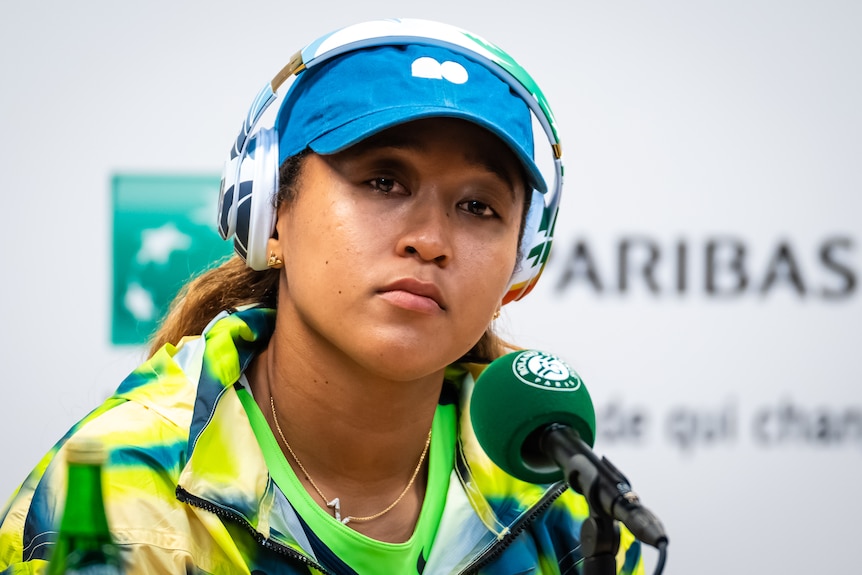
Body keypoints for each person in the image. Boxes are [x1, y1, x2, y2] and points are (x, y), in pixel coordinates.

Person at [0, 18, 643, 575]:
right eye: (383, 181)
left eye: (478, 206)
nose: (430, 239)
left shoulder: (569, 506)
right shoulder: (121, 491)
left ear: (520, 265)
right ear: (270, 214)